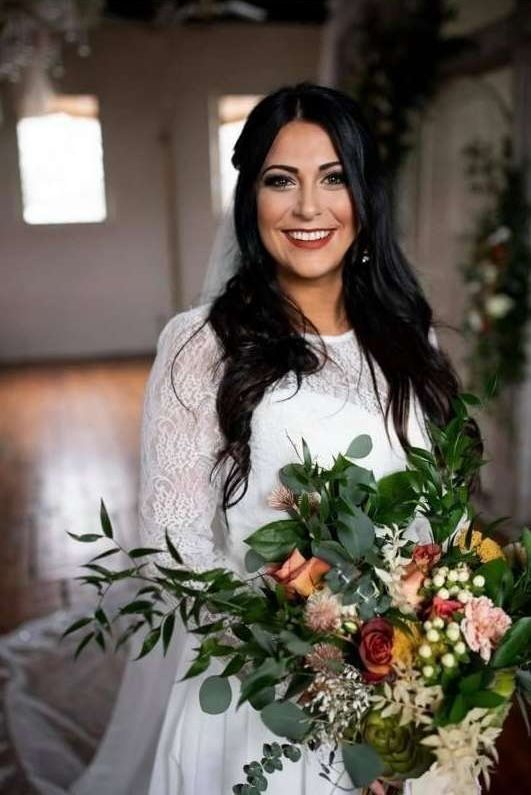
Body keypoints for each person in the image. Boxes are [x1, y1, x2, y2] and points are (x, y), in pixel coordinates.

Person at [73, 82, 481, 795]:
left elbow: (439, 517)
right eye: (279, 181)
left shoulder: (405, 334)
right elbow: (175, 550)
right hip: (264, 704)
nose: (307, 208)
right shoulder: (201, 344)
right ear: (248, 198)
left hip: (408, 698)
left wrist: (433, 667)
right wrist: (323, 674)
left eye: (332, 179)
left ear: (364, 193)